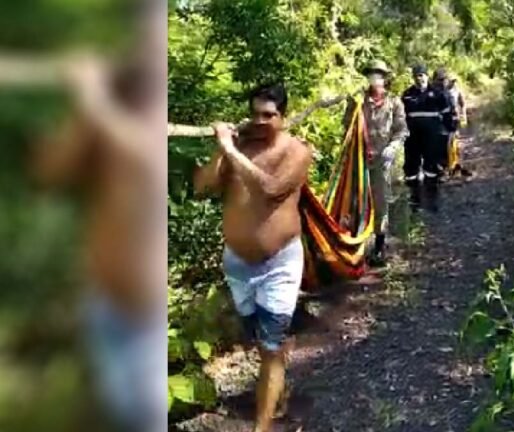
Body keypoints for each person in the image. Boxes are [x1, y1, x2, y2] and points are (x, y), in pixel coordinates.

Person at [31, 45, 166, 432]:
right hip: (104, 307)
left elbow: (145, 159)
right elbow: (49, 172)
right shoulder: (104, 121)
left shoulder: (134, 125)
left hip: (145, 322)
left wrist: (93, 99)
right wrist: (83, 113)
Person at [194, 83, 313, 432]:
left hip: (280, 263)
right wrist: (221, 150)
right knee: (260, 343)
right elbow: (202, 187)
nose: (260, 121)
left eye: (269, 115)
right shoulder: (238, 148)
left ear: (283, 117)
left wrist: (231, 151)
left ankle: (262, 427)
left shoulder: (296, 151)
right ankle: (279, 383)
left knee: (271, 345)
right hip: (237, 264)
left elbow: (271, 188)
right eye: (255, 114)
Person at [342, 59, 409, 266]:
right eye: (371, 74)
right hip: (359, 159)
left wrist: (393, 147)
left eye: (379, 74)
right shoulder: (358, 101)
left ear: (385, 78)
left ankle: (379, 246)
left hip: (382, 161)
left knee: (380, 202)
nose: (375, 78)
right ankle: (356, 247)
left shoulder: (394, 102)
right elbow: (346, 128)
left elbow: (401, 130)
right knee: (356, 201)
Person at [401, 64, 452, 210]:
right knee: (411, 168)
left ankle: (432, 200)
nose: (419, 78)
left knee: (431, 167)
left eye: (422, 75)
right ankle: (415, 200)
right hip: (412, 138)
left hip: (432, 138)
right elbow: (400, 117)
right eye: (416, 75)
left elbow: (447, 113)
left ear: (427, 76)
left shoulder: (437, 94)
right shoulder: (407, 94)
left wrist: (449, 131)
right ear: (413, 77)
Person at [446, 76, 473, 177]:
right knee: (449, 143)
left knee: (456, 142)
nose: (453, 83)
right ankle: (451, 165)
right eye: (451, 81)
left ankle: (458, 164)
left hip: (455, 119)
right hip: (445, 119)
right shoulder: (441, 91)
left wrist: (463, 116)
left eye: (454, 81)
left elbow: (462, 104)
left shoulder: (457, 91)